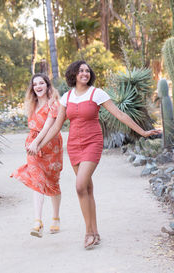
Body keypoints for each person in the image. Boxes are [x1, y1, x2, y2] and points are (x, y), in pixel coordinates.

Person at [28, 61, 161, 249]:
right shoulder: (67, 97)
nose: (85, 73)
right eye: (81, 70)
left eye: (87, 70)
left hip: (92, 143)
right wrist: (39, 144)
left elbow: (120, 115)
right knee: (86, 189)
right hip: (74, 145)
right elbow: (57, 126)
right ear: (74, 74)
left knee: (80, 185)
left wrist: (143, 132)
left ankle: (89, 232)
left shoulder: (97, 93)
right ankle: (95, 232)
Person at [11, 73, 63, 238]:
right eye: (35, 84)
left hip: (51, 145)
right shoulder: (31, 105)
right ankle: (37, 221)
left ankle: (55, 217)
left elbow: (48, 126)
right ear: (32, 88)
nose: (38, 86)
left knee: (53, 183)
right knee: (37, 180)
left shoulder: (54, 104)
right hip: (33, 146)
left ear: (47, 86)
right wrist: (31, 143)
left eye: (42, 83)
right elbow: (33, 127)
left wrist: (37, 143)